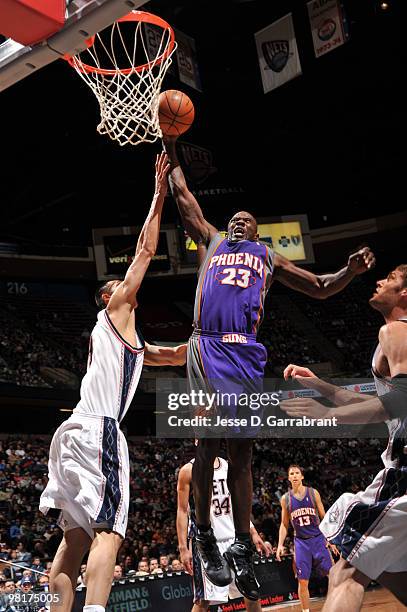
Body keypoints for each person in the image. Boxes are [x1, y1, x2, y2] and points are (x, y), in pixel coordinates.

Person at [163, 134, 375, 599]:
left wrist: (351, 272)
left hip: (246, 354)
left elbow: (320, 285)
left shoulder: (269, 258)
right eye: (234, 218)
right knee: (209, 441)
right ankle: (202, 535)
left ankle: (240, 545)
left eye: (247, 220)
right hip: (207, 345)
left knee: (242, 454)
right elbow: (184, 197)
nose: (238, 221)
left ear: (257, 233)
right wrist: (171, 144)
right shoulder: (213, 240)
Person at [39, 153, 187, 612]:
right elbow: (145, 250)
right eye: (119, 285)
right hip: (98, 430)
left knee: (74, 541)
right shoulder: (117, 308)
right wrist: (159, 193)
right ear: (110, 296)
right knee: (110, 531)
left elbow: (180, 353)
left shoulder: (130, 342)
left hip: (70, 437)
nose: (127, 287)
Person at [281, 264, 407, 610]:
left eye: (391, 280)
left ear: (405, 295)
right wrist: (323, 388)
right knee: (385, 572)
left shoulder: (396, 331)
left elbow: (398, 402)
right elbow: (381, 402)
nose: (379, 281)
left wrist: (327, 414)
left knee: (346, 573)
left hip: (404, 473)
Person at [177, 454, 272, 609]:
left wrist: (253, 531)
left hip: (234, 540)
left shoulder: (229, 466)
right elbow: (181, 510)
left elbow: (238, 504)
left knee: (251, 593)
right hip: (207, 544)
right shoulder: (188, 470)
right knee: (203, 601)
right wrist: (183, 548)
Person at [276, 465, 337, 612]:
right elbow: (284, 524)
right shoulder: (286, 499)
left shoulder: (313, 493)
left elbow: (324, 517)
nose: (295, 475)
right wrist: (279, 545)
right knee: (303, 581)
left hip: (317, 538)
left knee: (333, 575)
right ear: (289, 478)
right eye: (292, 473)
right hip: (301, 542)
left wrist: (331, 539)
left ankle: (337, 606)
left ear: (302, 476)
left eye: (297, 473)